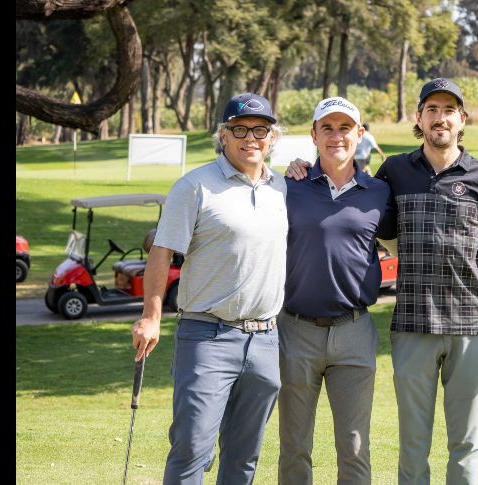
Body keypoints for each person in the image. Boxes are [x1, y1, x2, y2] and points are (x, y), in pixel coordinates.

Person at [286, 78, 478, 484]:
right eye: (432, 109)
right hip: (414, 326)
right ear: (419, 117)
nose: (440, 118)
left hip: (473, 326)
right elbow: (353, 207)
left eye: (449, 110)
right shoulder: (394, 172)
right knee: (413, 444)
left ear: (462, 119)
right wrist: (300, 170)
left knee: (466, 444)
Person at [130, 92, 288, 485]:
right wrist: (150, 317)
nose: (250, 138)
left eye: (260, 130)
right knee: (191, 448)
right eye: (239, 129)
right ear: (223, 134)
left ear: (272, 137)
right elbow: (161, 253)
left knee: (244, 456)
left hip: (266, 339)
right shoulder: (195, 186)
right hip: (207, 335)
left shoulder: (283, 187)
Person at [277, 97, 395, 485]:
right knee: (294, 445)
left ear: (360, 135)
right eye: (326, 128)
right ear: (313, 135)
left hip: (355, 332)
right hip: (295, 331)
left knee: (355, 446)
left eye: (345, 128)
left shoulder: (379, 192)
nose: (336, 136)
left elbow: (402, 244)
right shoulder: (288, 186)